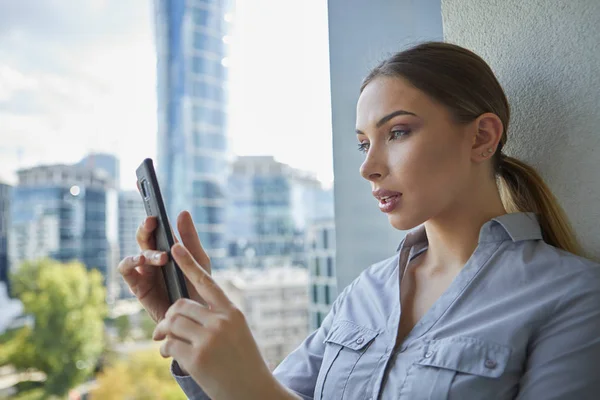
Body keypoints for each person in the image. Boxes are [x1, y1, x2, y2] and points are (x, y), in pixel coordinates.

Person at [117, 42, 600, 399]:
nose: (368, 167)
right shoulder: (363, 295)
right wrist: (191, 325)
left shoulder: (574, 299)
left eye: (398, 132)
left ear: (481, 138)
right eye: (364, 143)